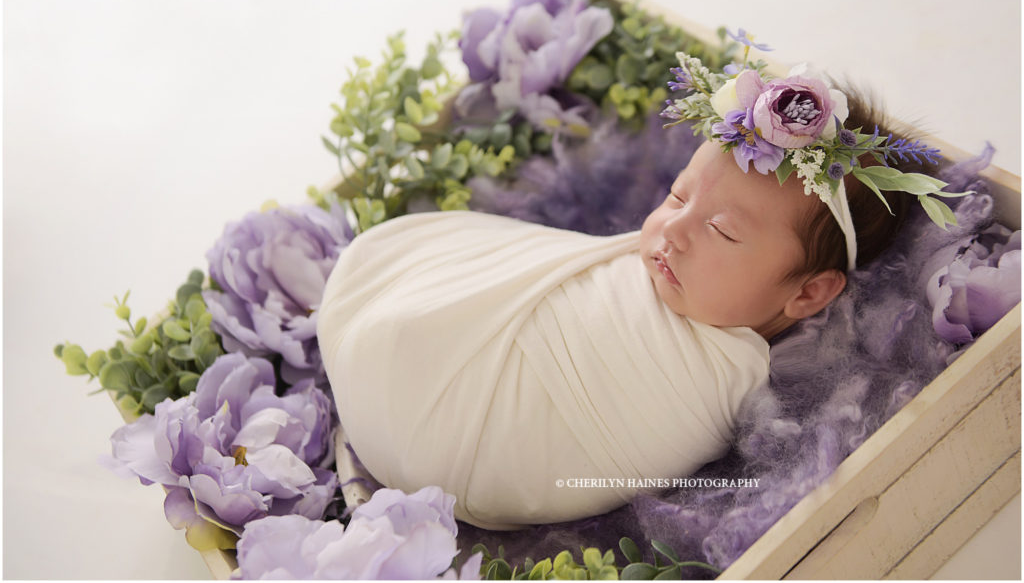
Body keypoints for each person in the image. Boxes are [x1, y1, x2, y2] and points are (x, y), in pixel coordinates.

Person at [316, 51, 959, 530]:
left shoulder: (714, 376)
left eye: (721, 232)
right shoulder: (668, 268)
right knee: (426, 286)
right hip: (414, 404)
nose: (670, 232)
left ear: (809, 294)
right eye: (678, 194)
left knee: (410, 329)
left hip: (461, 456)